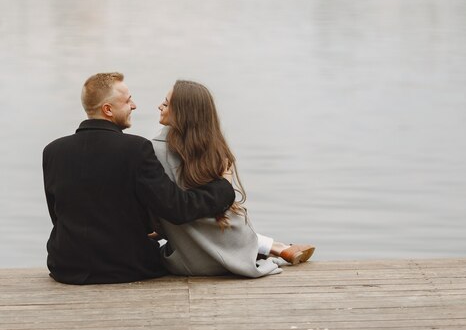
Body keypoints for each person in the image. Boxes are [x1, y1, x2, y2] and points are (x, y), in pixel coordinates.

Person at [42, 72, 236, 285]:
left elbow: (58, 216)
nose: (133, 105)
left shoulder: (52, 151)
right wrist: (223, 187)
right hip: (126, 267)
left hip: (66, 266)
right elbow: (178, 208)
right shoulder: (136, 149)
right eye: (127, 101)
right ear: (108, 109)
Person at [151, 80, 315, 278]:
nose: (159, 106)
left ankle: (276, 247)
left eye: (166, 104)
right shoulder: (212, 149)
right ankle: (276, 247)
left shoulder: (152, 152)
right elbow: (217, 204)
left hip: (187, 261)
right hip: (232, 252)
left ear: (181, 113)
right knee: (220, 218)